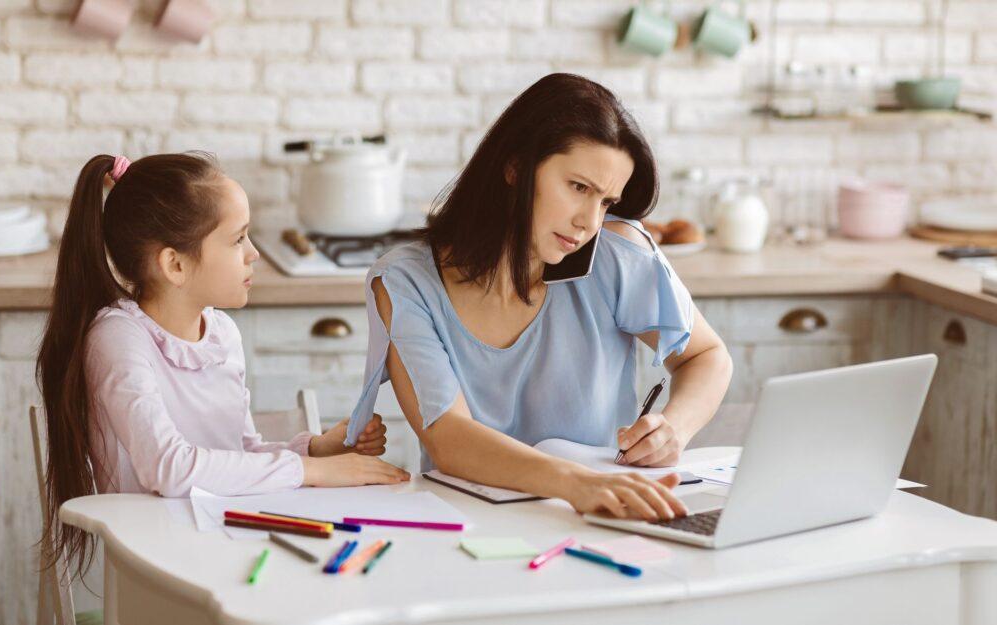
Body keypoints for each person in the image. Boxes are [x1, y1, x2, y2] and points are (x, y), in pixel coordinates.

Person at [346, 74, 733, 522]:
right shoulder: (405, 281)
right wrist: (574, 483)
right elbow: (447, 436)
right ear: (515, 168)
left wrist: (675, 429)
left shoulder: (616, 256)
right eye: (579, 187)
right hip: (472, 530)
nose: (589, 221)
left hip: (599, 519)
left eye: (606, 201)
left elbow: (707, 355)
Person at [37, 152, 409, 575]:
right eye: (238, 239)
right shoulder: (119, 338)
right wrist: (312, 471)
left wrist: (316, 448)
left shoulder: (223, 335)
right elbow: (170, 468)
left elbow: (238, 453)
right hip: (153, 569)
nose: (253, 254)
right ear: (175, 264)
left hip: (223, 548)